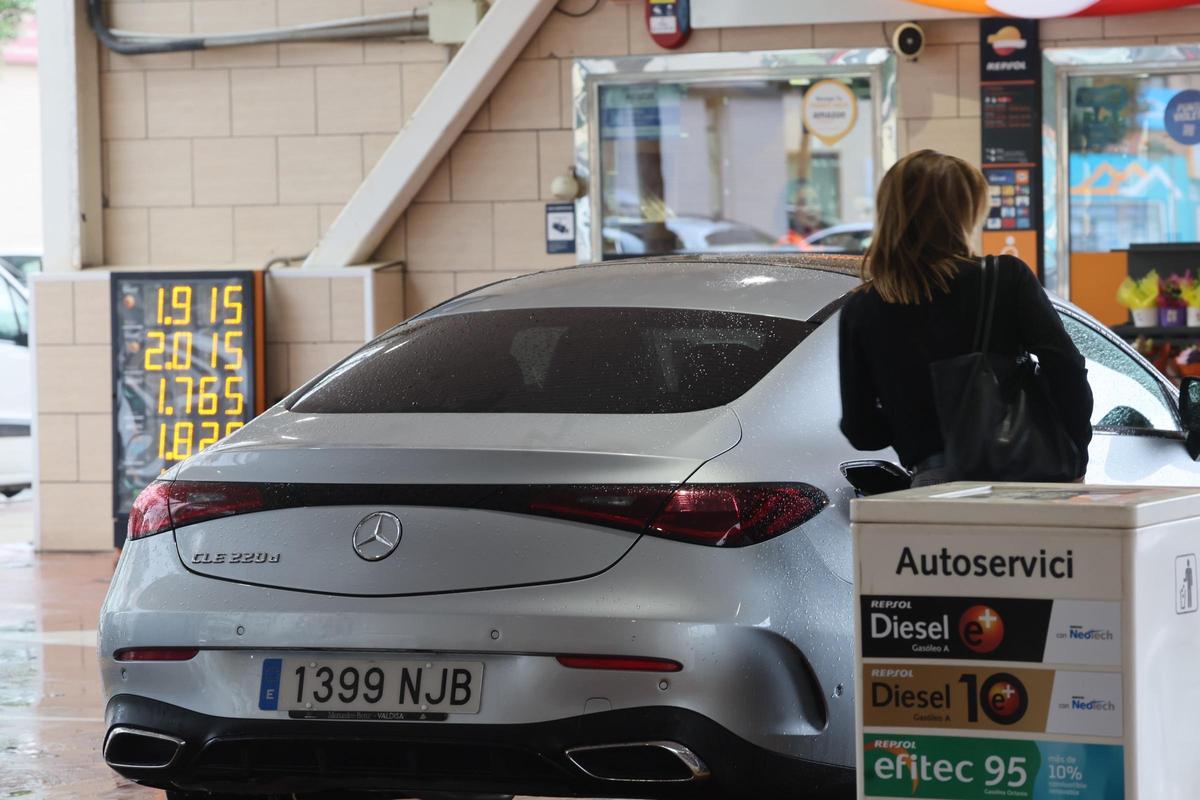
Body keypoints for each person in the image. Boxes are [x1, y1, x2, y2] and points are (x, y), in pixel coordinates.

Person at [838, 150, 1093, 487]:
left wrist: (915, 421)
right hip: (1019, 478)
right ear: (963, 212)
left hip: (931, 489)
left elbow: (863, 432)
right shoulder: (1004, 278)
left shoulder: (862, 307)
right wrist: (1074, 452)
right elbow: (1066, 367)